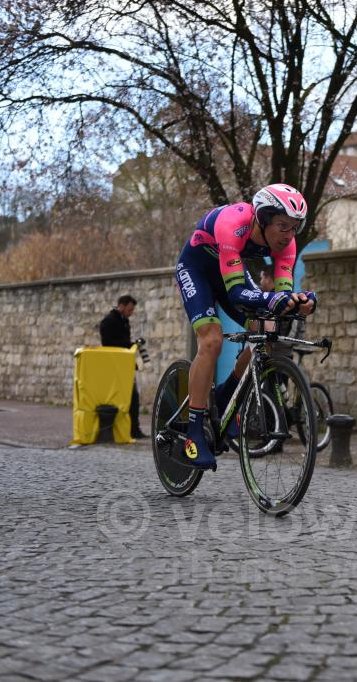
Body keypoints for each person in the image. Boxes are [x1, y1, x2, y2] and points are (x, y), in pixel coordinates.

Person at [174, 184, 317, 471]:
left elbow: (282, 296)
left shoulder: (286, 244)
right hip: (196, 270)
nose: (288, 235)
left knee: (268, 330)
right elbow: (238, 292)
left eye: (294, 228)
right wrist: (277, 299)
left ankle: (225, 398)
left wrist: (298, 301)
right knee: (212, 340)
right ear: (262, 220)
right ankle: (193, 431)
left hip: (229, 272)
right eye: (282, 226)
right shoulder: (232, 224)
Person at [99, 294, 147, 439]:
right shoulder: (109, 321)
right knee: (129, 397)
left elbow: (123, 342)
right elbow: (109, 343)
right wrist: (132, 344)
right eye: (129, 310)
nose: (131, 313)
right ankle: (128, 430)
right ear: (121, 305)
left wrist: (133, 343)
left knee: (134, 398)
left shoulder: (123, 320)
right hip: (116, 365)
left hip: (125, 365)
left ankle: (134, 429)